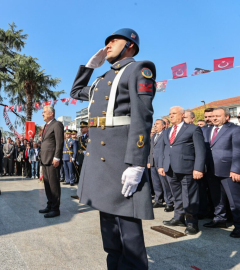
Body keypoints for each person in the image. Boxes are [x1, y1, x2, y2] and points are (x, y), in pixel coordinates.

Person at [70, 28, 155, 269]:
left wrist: (137, 162)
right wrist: (89, 67)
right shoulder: (102, 78)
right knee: (109, 227)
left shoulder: (139, 69)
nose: (107, 46)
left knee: (128, 230)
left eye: (113, 41)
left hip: (120, 159)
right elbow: (76, 92)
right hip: (100, 160)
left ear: (130, 45)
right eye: (106, 42)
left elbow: (142, 117)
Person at [158, 106, 206, 235]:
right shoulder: (167, 131)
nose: (171, 115)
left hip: (187, 169)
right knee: (176, 195)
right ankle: (178, 218)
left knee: (189, 197)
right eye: (169, 113)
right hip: (170, 168)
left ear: (182, 115)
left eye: (174, 113)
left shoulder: (193, 129)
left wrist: (198, 168)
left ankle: (192, 223)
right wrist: (161, 165)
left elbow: (200, 150)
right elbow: (165, 149)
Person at [203, 107, 240, 238]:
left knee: (235, 201)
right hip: (211, 170)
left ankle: (239, 225)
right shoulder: (207, 130)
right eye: (213, 116)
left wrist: (236, 169)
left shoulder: (234, 129)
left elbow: (237, 151)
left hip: (228, 171)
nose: (214, 118)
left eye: (218, 116)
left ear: (227, 117)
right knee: (216, 197)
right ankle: (220, 219)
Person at [39, 105, 64, 218]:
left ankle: (55, 208)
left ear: (51, 114)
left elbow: (59, 142)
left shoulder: (57, 124)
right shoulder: (46, 126)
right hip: (45, 159)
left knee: (54, 186)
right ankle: (49, 205)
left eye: (44, 112)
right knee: (47, 185)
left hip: (52, 159)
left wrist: (57, 157)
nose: (42, 114)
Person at [148, 119, 174, 212]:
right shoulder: (154, 135)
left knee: (165, 183)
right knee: (156, 183)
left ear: (163, 126)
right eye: (154, 124)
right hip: (153, 163)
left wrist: (163, 163)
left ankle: (169, 202)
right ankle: (158, 200)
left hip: (161, 163)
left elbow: (166, 149)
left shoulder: (166, 134)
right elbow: (151, 149)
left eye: (157, 124)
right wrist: (149, 161)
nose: (155, 125)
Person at [72, 121, 89, 199]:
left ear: (87, 128)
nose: (81, 129)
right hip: (81, 158)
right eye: (81, 128)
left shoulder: (90, 136)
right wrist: (77, 159)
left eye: (83, 127)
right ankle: (80, 194)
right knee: (80, 176)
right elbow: (79, 149)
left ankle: (87, 195)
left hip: (88, 159)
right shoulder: (80, 138)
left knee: (87, 177)